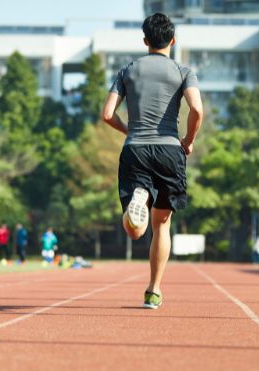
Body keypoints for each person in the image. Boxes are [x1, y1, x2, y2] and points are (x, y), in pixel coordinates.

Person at [101, 12, 203, 309]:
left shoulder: (127, 71)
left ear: (145, 41)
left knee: (135, 230)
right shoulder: (184, 72)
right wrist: (189, 140)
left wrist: (129, 128)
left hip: (136, 149)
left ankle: (139, 195)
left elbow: (107, 114)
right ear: (173, 40)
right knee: (162, 225)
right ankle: (154, 290)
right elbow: (197, 109)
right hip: (170, 150)